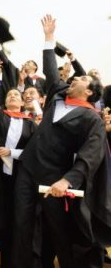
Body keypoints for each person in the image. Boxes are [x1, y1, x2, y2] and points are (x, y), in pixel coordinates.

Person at [12, 14, 111, 268]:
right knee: (22, 226)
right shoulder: (57, 94)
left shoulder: (92, 119)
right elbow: (50, 70)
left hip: (55, 177)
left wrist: (68, 180)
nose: (73, 79)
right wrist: (48, 38)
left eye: (79, 80)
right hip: (28, 166)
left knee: (59, 233)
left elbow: (92, 154)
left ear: (89, 92)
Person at [0, 56, 36, 268]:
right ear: (5, 101)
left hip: (22, 178)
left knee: (20, 220)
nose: (13, 95)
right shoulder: (0, 116)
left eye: (17, 94)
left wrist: (11, 153)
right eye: (10, 94)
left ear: (23, 102)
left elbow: (34, 152)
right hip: (0, 177)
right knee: (3, 221)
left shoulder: (30, 124)